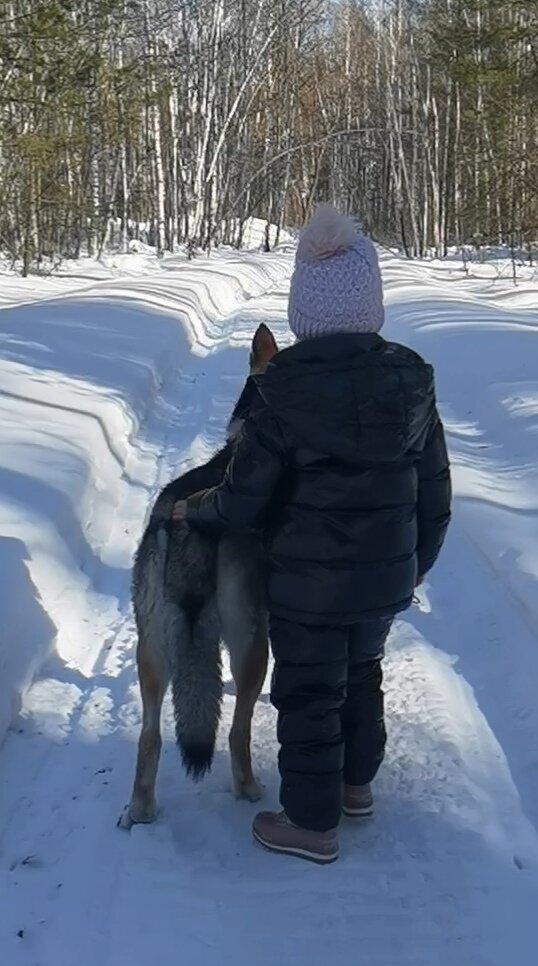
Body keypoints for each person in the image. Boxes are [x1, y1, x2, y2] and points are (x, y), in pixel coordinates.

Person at [172, 204, 451, 864]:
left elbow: (244, 497)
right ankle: (357, 788)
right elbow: (435, 489)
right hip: (384, 578)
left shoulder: (283, 390)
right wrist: (418, 563)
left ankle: (311, 823)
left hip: (304, 583)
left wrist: (198, 512)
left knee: (308, 693)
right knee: (363, 675)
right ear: (371, 305)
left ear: (305, 311)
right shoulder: (411, 378)